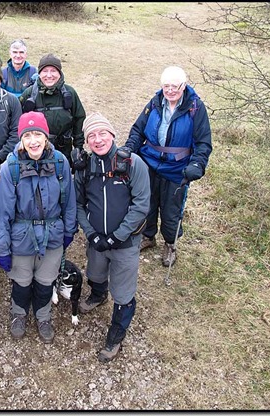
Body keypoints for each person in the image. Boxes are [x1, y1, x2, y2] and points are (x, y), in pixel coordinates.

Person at [0, 112, 77, 344]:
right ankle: (18, 314)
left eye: (38, 134)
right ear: (20, 139)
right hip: (21, 238)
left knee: (45, 281)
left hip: (53, 235)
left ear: (46, 136)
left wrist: (69, 231)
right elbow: (2, 213)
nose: (33, 141)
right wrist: (2, 249)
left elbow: (69, 201)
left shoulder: (60, 162)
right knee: (21, 282)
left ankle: (43, 316)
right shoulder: (10, 168)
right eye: (27, 135)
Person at [74, 112, 150, 363]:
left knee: (123, 293)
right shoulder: (84, 169)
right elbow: (77, 205)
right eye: (91, 136)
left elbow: (141, 206)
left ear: (113, 134)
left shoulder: (133, 164)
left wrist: (117, 237)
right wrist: (91, 234)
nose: (98, 140)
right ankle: (98, 294)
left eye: (102, 133)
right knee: (95, 275)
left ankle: (116, 334)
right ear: (86, 142)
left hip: (125, 243)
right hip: (97, 240)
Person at [125, 65, 212, 267]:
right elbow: (138, 130)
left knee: (171, 211)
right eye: (166, 86)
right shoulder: (155, 103)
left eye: (175, 86)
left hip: (177, 168)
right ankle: (148, 236)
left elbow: (203, 142)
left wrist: (197, 163)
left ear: (184, 86)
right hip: (150, 162)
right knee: (146, 203)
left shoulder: (195, 108)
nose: (170, 90)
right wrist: (130, 148)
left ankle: (170, 244)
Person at [19, 53, 86, 166]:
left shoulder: (70, 93)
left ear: (59, 73)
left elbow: (79, 119)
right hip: (35, 149)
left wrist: (78, 148)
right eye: (45, 71)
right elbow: (18, 122)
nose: (49, 75)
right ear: (39, 73)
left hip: (64, 149)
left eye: (53, 71)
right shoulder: (29, 94)